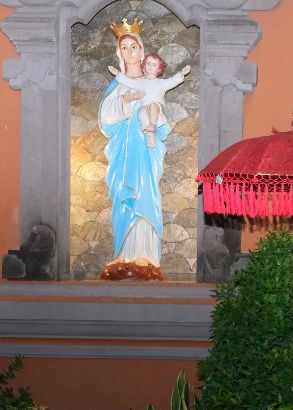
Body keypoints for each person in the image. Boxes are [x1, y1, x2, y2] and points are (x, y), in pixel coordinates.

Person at [99, 19, 167, 280]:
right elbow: (106, 118)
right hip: (123, 155)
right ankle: (125, 255)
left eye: (133, 47)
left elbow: (161, 117)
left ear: (142, 50)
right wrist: (125, 101)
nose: (129, 52)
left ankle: (147, 258)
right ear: (120, 53)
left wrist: (150, 119)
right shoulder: (117, 84)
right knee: (123, 197)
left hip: (146, 152)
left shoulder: (152, 83)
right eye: (124, 47)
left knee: (146, 193)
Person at [108, 54, 190, 148]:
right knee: (142, 112)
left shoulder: (162, 83)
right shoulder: (140, 83)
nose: (150, 66)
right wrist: (117, 74)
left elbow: (172, 81)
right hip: (144, 108)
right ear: (144, 65)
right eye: (148, 63)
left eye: (154, 64)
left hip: (157, 107)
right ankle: (150, 134)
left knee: (153, 106)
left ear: (159, 69)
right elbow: (129, 82)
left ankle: (152, 126)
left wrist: (181, 74)